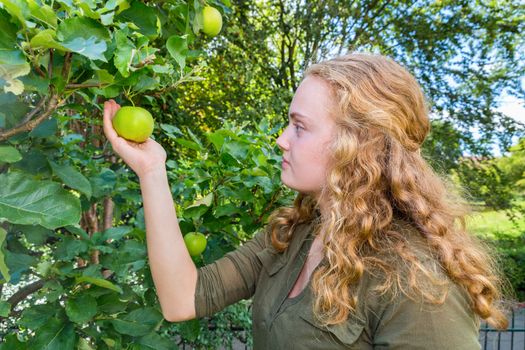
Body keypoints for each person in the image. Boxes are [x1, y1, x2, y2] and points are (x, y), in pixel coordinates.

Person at [103, 52, 509, 349]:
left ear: (357, 145)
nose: (281, 139)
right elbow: (183, 298)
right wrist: (151, 172)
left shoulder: (416, 281)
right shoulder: (292, 234)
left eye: (299, 127)